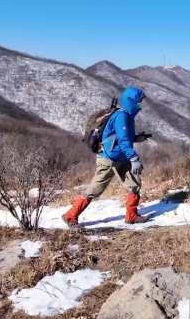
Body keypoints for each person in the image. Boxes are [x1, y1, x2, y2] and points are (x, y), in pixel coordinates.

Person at [62, 86, 150, 227]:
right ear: (131, 101)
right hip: (108, 159)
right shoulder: (122, 116)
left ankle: (131, 216)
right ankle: (70, 215)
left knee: (134, 184)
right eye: (139, 101)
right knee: (96, 189)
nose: (141, 104)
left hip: (121, 157)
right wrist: (134, 158)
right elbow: (122, 140)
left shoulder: (128, 116)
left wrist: (137, 138)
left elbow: (122, 137)